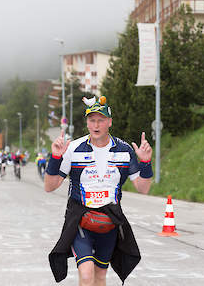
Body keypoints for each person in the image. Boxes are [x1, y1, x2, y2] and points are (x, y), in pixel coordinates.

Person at [44, 96, 153, 286]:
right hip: (81, 220)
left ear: (109, 122)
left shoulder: (124, 150)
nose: (96, 125)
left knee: (100, 276)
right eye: (91, 120)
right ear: (87, 122)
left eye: (100, 120)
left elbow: (143, 188)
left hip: (109, 222)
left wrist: (145, 162)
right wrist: (55, 157)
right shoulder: (74, 148)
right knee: (86, 275)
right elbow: (49, 186)